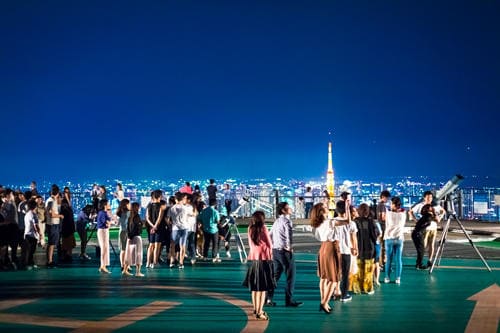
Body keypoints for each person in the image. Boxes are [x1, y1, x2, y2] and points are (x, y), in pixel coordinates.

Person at [310, 203, 347, 314]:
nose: (328, 208)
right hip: (332, 247)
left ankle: (323, 300)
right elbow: (348, 221)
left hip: (323, 248)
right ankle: (324, 303)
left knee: (323, 277)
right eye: (325, 208)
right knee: (334, 279)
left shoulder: (317, 224)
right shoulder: (330, 222)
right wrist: (347, 208)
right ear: (321, 212)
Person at [266, 202, 303, 307]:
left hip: (275, 251)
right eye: (288, 207)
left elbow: (270, 235)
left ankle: (268, 298)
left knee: (275, 276)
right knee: (291, 276)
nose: (290, 208)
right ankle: (289, 300)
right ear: (283, 210)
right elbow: (288, 235)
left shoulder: (277, 221)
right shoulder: (287, 221)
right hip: (285, 252)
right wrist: (289, 246)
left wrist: (273, 246)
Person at [243, 211, 275, 321]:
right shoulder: (264, 228)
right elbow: (270, 244)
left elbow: (250, 243)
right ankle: (260, 311)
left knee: (255, 288)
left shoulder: (250, 228)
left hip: (254, 260)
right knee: (262, 289)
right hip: (264, 259)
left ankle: (255, 309)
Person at [409, 191, 445, 268]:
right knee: (423, 246)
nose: (430, 199)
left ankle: (429, 260)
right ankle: (420, 261)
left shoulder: (435, 205)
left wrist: (440, 217)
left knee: (431, 245)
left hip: (433, 228)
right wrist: (416, 220)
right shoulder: (420, 205)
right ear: (424, 198)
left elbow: (443, 211)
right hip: (424, 229)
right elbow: (410, 211)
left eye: (431, 197)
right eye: (428, 197)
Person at [333, 199, 358, 302]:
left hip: (335, 251)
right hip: (346, 250)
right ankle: (344, 294)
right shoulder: (351, 223)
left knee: (335, 273)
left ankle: (335, 292)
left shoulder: (333, 221)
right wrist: (355, 248)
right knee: (345, 273)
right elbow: (353, 237)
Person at [353, 203, 377, 295]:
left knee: (358, 269)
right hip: (369, 248)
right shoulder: (371, 222)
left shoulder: (355, 222)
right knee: (369, 269)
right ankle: (367, 288)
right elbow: (374, 236)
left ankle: (357, 288)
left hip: (358, 248)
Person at [384, 196, 406, 284]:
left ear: (393, 204)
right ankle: (398, 278)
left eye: (391, 203)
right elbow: (403, 210)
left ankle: (387, 277)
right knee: (398, 259)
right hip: (399, 238)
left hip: (389, 239)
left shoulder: (388, 213)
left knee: (389, 259)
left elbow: (386, 215)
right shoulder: (403, 214)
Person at [412, 204, 437, 270]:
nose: (432, 209)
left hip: (417, 233)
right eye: (430, 208)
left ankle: (418, 263)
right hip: (418, 233)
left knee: (421, 249)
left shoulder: (426, 216)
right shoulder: (428, 216)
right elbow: (435, 219)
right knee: (421, 249)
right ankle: (419, 264)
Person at [123, 202, 144, 277]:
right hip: (136, 237)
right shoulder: (137, 216)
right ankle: (138, 272)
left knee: (129, 254)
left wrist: (129, 236)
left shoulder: (130, 217)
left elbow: (128, 228)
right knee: (138, 254)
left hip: (130, 238)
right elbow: (137, 228)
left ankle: (125, 269)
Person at [45, 186, 63, 268]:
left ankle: (50, 260)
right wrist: (60, 216)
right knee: (51, 243)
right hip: (53, 224)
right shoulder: (51, 201)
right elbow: (51, 214)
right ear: (58, 193)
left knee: (51, 243)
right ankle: (50, 261)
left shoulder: (49, 200)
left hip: (51, 224)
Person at [200, 198, 221, 262]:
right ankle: (214, 257)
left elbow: (200, 218)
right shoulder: (215, 212)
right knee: (215, 243)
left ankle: (205, 256)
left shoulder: (204, 211)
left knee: (206, 243)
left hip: (205, 229)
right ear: (215, 204)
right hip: (214, 230)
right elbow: (217, 221)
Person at [22, 199, 40, 270]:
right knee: (31, 250)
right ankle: (29, 263)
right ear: (35, 206)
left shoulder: (27, 214)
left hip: (26, 234)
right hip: (32, 235)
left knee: (28, 250)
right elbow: (36, 226)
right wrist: (40, 234)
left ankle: (30, 262)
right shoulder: (33, 215)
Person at [97, 199, 112, 274]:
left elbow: (109, 220)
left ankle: (103, 265)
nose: (109, 205)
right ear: (105, 205)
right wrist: (109, 223)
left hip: (105, 231)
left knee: (105, 248)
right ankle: (103, 265)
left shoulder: (105, 212)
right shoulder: (102, 213)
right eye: (108, 204)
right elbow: (105, 222)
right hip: (102, 231)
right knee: (103, 248)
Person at [116, 198, 131, 272]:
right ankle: (126, 265)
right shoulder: (128, 213)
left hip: (121, 231)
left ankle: (123, 265)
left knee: (123, 249)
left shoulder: (120, 212)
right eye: (129, 204)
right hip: (126, 232)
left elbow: (118, 223)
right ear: (126, 205)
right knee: (126, 249)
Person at [60, 198, 76, 262]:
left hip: (66, 228)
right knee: (69, 243)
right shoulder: (69, 210)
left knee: (66, 243)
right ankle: (68, 255)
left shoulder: (63, 210)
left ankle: (67, 255)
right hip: (69, 228)